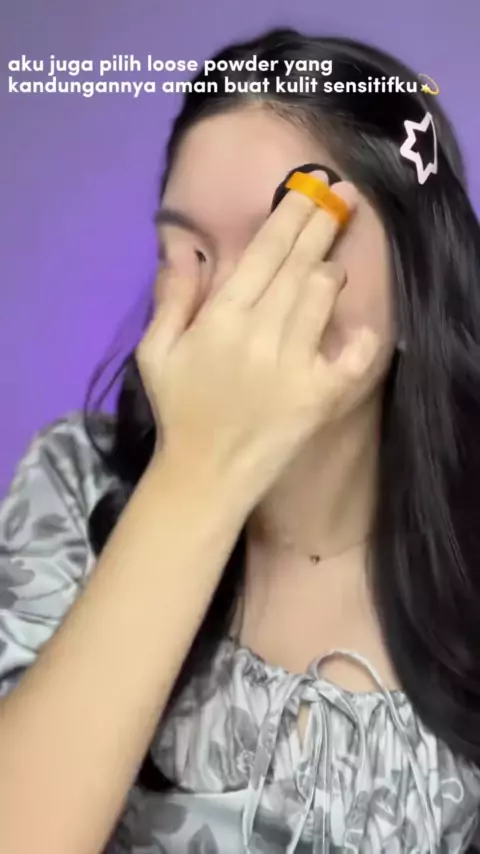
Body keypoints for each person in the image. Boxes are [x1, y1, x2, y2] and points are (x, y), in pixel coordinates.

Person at [1, 26, 480, 854]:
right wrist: (199, 474)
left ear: (419, 287)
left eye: (291, 240)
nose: (228, 307)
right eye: (186, 251)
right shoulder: (74, 486)